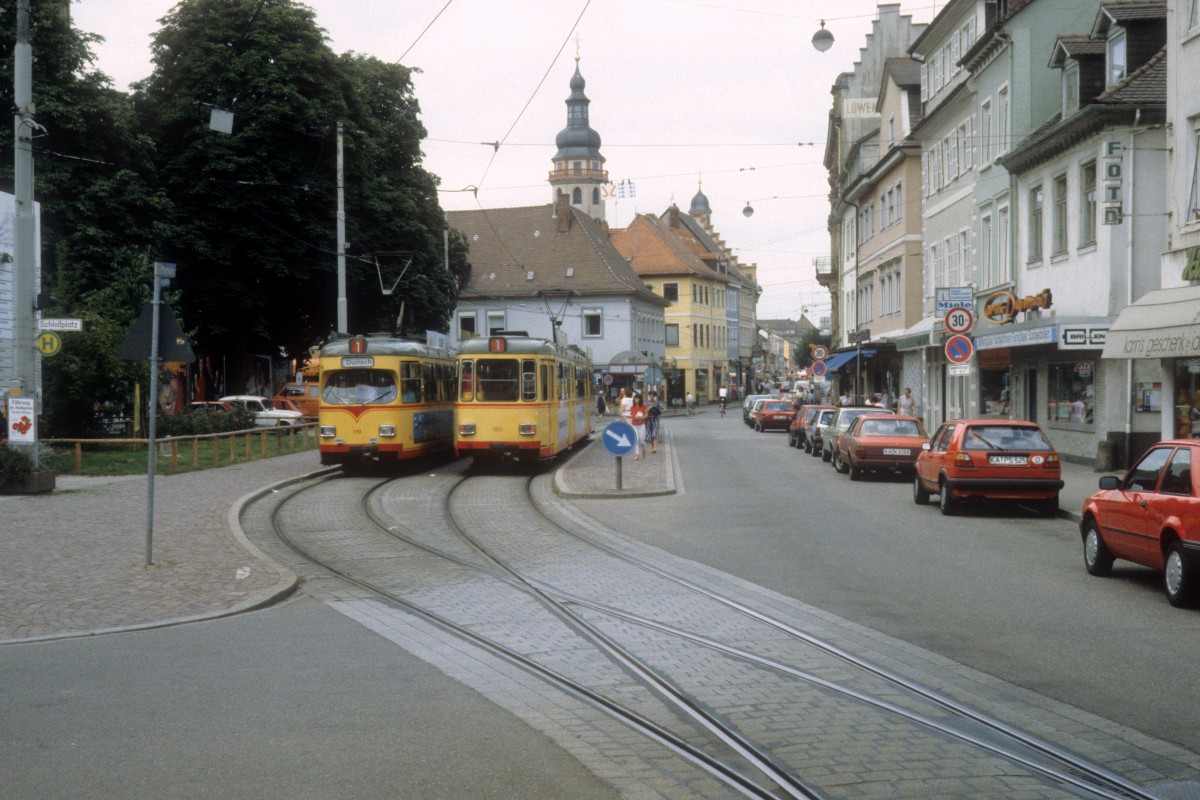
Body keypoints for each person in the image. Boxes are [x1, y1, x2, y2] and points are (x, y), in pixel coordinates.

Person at [629, 393, 647, 460]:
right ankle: (637, 454)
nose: (636, 400)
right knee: (636, 439)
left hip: (641, 425)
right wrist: (634, 417)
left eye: (638, 398)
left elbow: (646, 415)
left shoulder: (643, 406)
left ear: (640, 399)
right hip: (634, 425)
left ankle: (644, 449)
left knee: (642, 440)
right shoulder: (632, 407)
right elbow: (631, 415)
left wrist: (641, 418)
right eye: (635, 398)